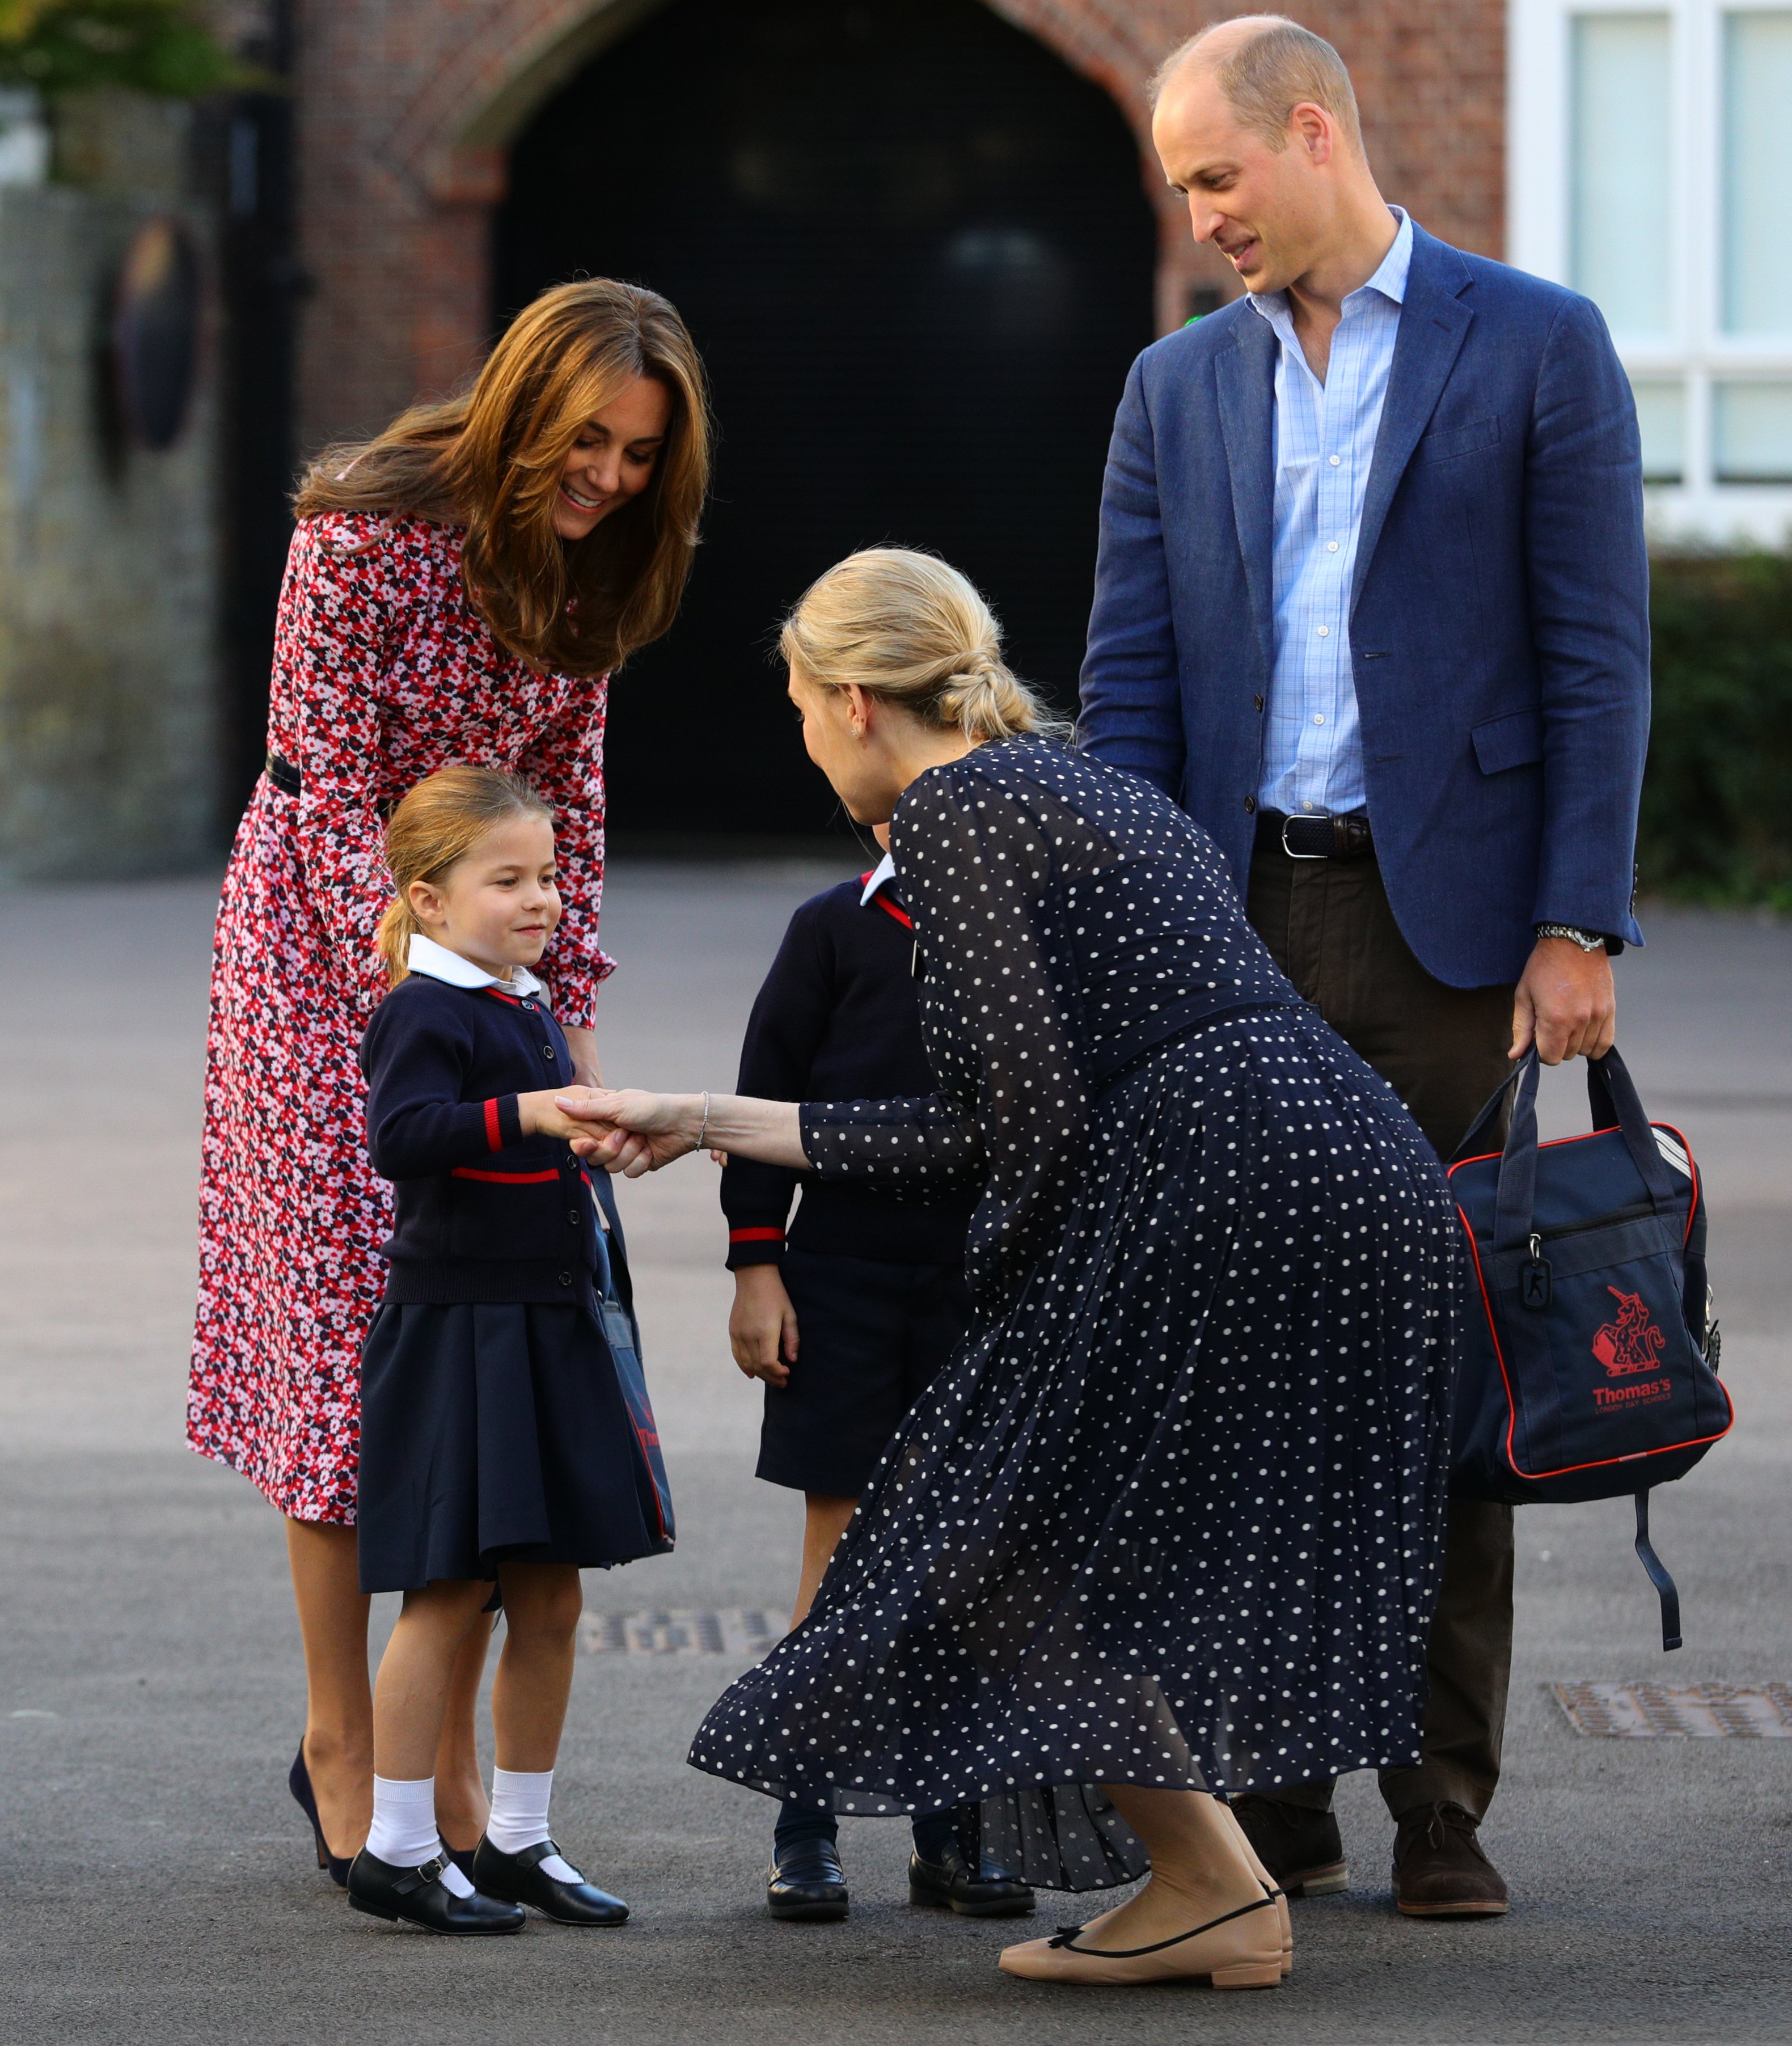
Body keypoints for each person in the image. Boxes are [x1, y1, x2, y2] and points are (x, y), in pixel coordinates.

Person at [555, 547, 1460, 1990]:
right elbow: (1006, 1109)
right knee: (1061, 1540)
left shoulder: (956, 811)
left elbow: (993, 1131)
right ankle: (1212, 1886)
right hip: (1341, 1159)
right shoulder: (1079, 780)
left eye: (795, 707)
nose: (799, 741)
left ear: (854, 701)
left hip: (1214, 1181)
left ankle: (1211, 1885)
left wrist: (995, 1317)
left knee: (988, 1532)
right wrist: (709, 1119)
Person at [1077, 16, 1650, 1918]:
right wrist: (1132, 936)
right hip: (1236, 922)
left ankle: (1441, 1800)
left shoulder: (1533, 340)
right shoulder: (1171, 390)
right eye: (1184, 191)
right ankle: (1277, 1787)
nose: (1199, 217)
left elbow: (1593, 652)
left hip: (1447, 941)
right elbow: (1130, 685)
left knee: (1435, 1352)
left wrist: (1575, 922)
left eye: (1213, 177)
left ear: (1309, 133)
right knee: (1242, 1367)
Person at [187, 279, 711, 1884]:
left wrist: (574, 1021)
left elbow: (575, 809)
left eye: (641, 455)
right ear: (520, 406)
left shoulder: (600, 563)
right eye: (592, 440)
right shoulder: (362, 528)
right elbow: (340, 792)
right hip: (322, 956)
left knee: (488, 1354)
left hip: (490, 958)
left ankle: (448, 1773)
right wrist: (457, 998)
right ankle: (344, 1744)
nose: (613, 477)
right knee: (357, 1354)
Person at [344, 765, 665, 1934]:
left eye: (550, 876)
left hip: (548, 1319)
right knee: (446, 1593)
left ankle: (519, 1840)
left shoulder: (522, 1001)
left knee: (553, 1595)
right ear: (428, 900)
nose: (542, 899)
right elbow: (403, 1138)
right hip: (460, 1332)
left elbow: (540, 1149)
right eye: (508, 880)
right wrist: (533, 1115)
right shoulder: (423, 1009)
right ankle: (395, 1846)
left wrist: (607, 1133)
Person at [721, 823, 1030, 1923]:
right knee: (839, 1551)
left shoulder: (1022, 931)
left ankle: (952, 1830)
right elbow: (761, 1094)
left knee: (965, 1560)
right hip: (839, 1277)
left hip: (980, 1281)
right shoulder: (832, 930)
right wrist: (755, 1263)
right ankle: (803, 1822)